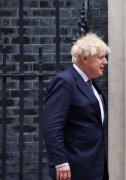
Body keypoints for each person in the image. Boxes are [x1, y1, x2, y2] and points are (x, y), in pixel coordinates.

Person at [42, 33, 110, 180]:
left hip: (93, 167)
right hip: (74, 168)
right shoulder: (65, 82)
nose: (105, 62)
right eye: (100, 57)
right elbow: (51, 126)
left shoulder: (91, 84)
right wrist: (60, 162)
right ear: (85, 58)